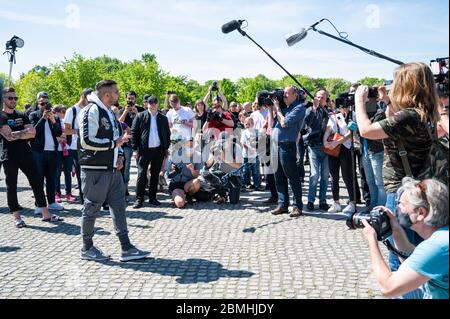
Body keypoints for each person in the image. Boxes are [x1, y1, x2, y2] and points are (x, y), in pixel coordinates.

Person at [355, 62, 439, 297]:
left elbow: (366, 130)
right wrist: (387, 102)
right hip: (419, 189)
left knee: (400, 259)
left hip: (403, 194)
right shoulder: (424, 113)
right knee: (416, 251)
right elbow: (394, 125)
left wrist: (359, 103)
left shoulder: (409, 116)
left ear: (406, 86)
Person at [78, 80, 149, 262]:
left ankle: (126, 247)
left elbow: (115, 137)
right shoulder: (90, 110)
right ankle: (87, 247)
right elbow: (86, 141)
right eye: (116, 92)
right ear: (107, 95)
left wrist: (118, 155)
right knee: (91, 209)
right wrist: (114, 145)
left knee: (119, 207)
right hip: (95, 170)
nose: (119, 95)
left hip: (112, 170)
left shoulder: (109, 112)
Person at [362, 177, 448, 299]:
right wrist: (396, 229)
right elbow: (412, 260)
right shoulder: (442, 235)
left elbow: (388, 288)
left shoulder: (438, 246)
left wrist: (372, 241)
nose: (397, 209)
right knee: (402, 288)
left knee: (396, 288)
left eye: (402, 204)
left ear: (421, 213)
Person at [0, 87, 63, 228]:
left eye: (15, 98)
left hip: (26, 153)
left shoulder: (21, 114)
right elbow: (9, 137)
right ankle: (17, 217)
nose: (13, 100)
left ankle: (45, 214)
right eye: (10, 98)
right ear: (3, 99)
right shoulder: (2, 116)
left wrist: (18, 133)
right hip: (9, 155)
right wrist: (23, 132)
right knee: (12, 186)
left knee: (37, 183)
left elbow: (33, 133)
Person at [269, 86, 306, 217]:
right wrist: (271, 108)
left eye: (286, 93)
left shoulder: (299, 108)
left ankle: (297, 206)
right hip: (275, 144)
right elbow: (272, 124)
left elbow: (285, 123)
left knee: (292, 176)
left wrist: (277, 108)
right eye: (283, 94)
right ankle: (283, 204)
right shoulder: (284, 109)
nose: (283, 96)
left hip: (287, 145)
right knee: (278, 176)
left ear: (295, 95)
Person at [131, 96, 171, 208]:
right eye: (150, 102)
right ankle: (139, 199)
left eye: (155, 102)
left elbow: (167, 134)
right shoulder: (140, 116)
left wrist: (166, 148)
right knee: (141, 174)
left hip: (158, 150)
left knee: (155, 175)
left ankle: (153, 198)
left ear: (157, 104)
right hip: (144, 151)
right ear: (146, 104)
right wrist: (135, 149)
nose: (153, 104)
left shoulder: (163, 118)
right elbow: (134, 133)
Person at [29, 93, 65, 213]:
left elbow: (59, 133)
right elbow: (34, 132)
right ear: (38, 103)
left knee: (51, 178)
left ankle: (52, 202)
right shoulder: (34, 115)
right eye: (42, 103)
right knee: (38, 179)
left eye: (47, 103)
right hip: (38, 152)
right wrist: (43, 118)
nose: (45, 106)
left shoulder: (54, 116)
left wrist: (53, 120)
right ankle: (39, 204)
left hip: (52, 152)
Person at [323, 103, 360, 214]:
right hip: (333, 149)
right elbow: (328, 130)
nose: (343, 107)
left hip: (346, 147)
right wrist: (325, 141)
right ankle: (336, 202)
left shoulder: (352, 115)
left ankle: (352, 202)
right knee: (333, 177)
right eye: (341, 105)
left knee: (347, 176)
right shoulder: (334, 116)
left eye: (345, 105)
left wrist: (337, 142)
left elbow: (350, 133)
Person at [64, 88, 93, 204]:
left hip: (86, 146)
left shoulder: (90, 110)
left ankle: (88, 198)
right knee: (78, 174)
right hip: (73, 147)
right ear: (83, 96)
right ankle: (83, 200)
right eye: (89, 98)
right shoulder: (72, 110)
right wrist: (80, 131)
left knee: (86, 174)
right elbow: (66, 131)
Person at [303, 89, 330, 212]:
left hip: (327, 147)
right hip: (314, 145)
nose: (320, 99)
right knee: (314, 175)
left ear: (326, 99)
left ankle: (323, 201)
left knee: (325, 176)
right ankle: (310, 201)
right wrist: (314, 108)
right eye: (318, 97)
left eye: (323, 98)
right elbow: (306, 123)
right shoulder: (310, 110)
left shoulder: (329, 112)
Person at [118, 91, 145, 196]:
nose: (130, 101)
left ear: (135, 99)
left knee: (141, 167)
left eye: (132, 98)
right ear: (126, 99)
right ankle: (125, 188)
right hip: (127, 143)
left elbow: (145, 124)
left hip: (139, 143)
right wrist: (125, 112)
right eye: (128, 98)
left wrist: (137, 113)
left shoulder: (141, 110)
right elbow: (118, 123)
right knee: (126, 166)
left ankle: (141, 189)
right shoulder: (121, 110)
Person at [168, 140, 202, 208]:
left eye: (192, 146)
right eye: (188, 146)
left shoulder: (198, 155)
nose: (190, 148)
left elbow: (196, 175)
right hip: (176, 183)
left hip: (188, 183)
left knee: (197, 182)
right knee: (180, 204)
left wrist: (192, 169)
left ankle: (188, 195)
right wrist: (171, 168)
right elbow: (169, 173)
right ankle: (178, 196)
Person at [53, 105, 76, 203]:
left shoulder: (68, 122)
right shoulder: (54, 122)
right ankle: (57, 193)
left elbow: (72, 133)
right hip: (57, 150)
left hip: (68, 148)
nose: (64, 114)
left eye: (64, 111)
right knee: (57, 172)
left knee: (67, 172)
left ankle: (68, 193)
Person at [241, 117, 263, 191]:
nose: (246, 124)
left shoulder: (257, 132)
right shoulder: (244, 132)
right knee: (246, 171)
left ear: (252, 124)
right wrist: (250, 149)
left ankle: (257, 184)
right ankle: (247, 184)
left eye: (248, 123)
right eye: (245, 123)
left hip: (255, 155)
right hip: (246, 155)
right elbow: (243, 143)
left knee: (255, 170)